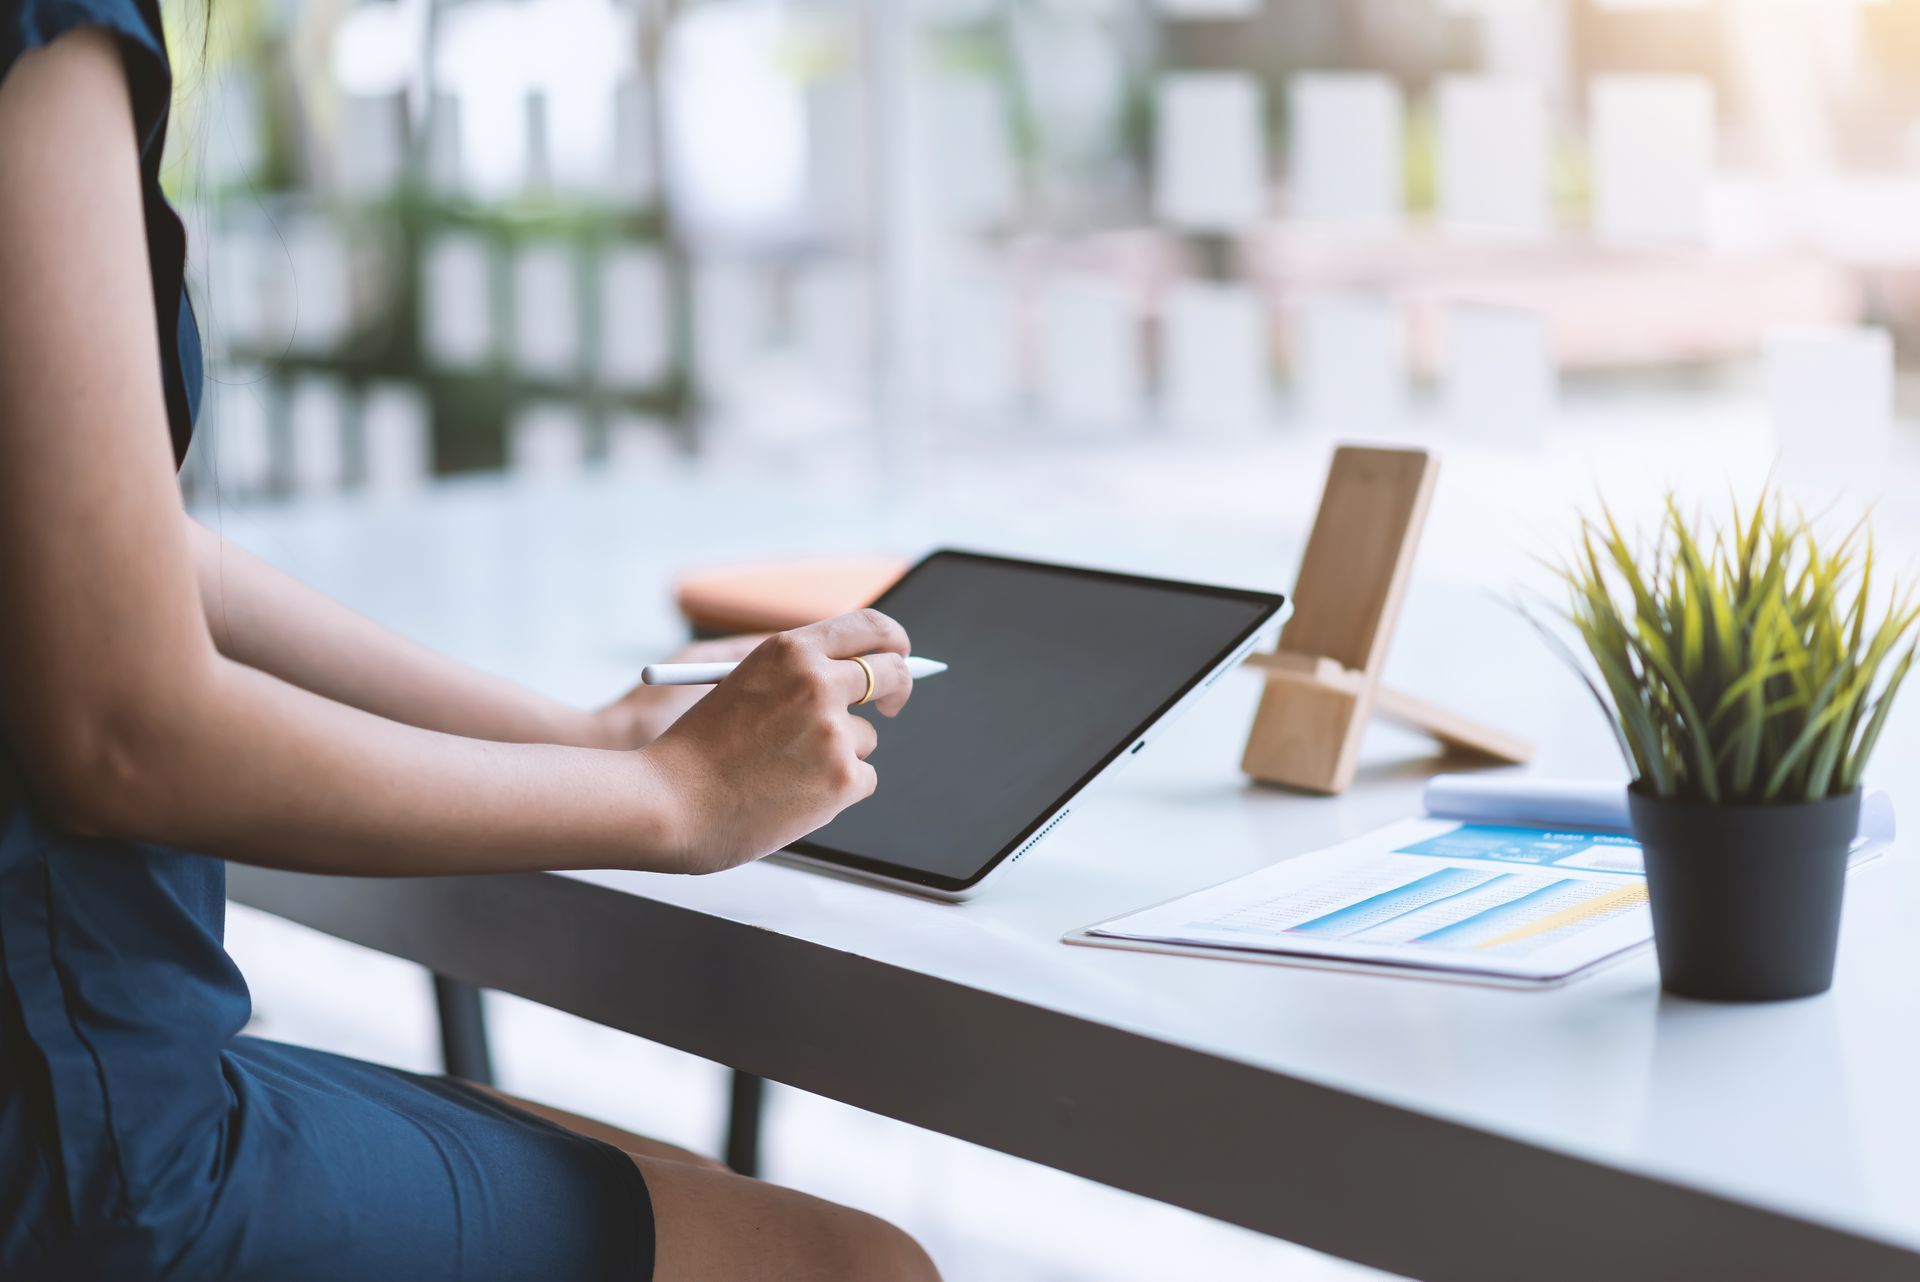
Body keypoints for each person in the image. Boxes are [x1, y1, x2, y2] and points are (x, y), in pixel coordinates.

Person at [0, 5, 941, 1279]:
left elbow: (108, 556)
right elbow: (121, 728)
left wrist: (580, 736)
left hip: (70, 1094)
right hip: (85, 1151)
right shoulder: (48, 35)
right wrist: (672, 795)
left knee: (686, 1188)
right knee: (851, 1266)